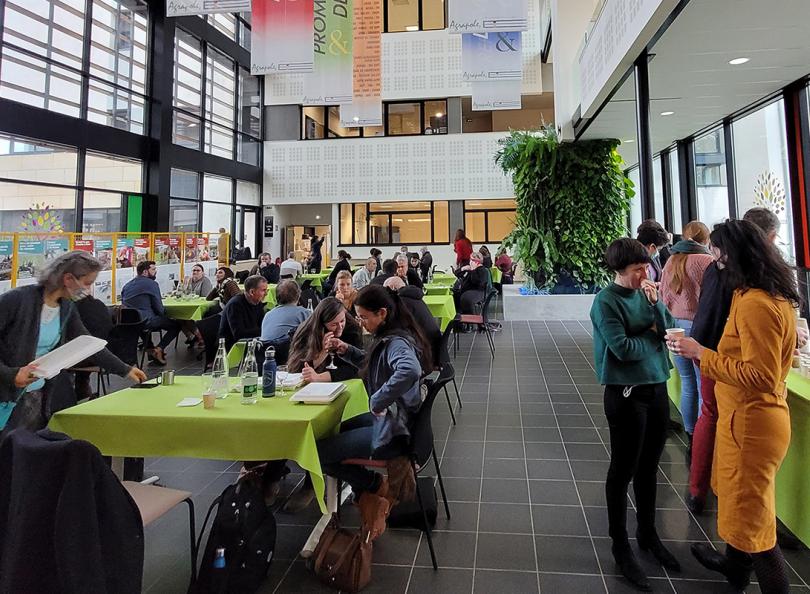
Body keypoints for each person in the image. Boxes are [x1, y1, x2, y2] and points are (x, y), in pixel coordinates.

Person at [669, 220, 800, 594]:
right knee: (741, 504)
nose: (714, 259)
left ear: (735, 255)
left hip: (752, 424)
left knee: (755, 523)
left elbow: (760, 374)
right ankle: (734, 569)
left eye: (719, 253)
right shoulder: (759, 294)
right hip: (742, 419)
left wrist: (702, 354)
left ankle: (768, 581)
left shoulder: (758, 303)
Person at [589, 238, 678, 591]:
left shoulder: (647, 293)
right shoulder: (606, 301)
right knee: (623, 468)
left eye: (647, 266)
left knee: (649, 465)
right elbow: (622, 349)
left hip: (656, 386)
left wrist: (656, 312)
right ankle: (620, 544)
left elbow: (668, 329)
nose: (646, 273)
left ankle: (648, 533)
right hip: (625, 394)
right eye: (638, 269)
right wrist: (653, 338)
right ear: (619, 270)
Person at [316, 285, 432, 540]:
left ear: (382, 313)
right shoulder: (394, 335)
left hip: (393, 430)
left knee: (317, 452)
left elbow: (410, 370)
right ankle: (369, 493)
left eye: (364, 318)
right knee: (336, 431)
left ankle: (373, 487)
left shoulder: (396, 343)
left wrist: (378, 399)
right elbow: (374, 365)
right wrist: (346, 350)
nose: (361, 323)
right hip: (397, 421)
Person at [0, 252, 146, 432]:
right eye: (87, 283)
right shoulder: (17, 300)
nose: (88, 290)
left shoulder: (66, 308)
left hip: (36, 394)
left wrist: (126, 369)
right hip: (6, 395)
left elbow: (88, 345)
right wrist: (10, 374)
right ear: (68, 278)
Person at [659, 221, 713, 460]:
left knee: (687, 383)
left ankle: (691, 435)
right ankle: (704, 441)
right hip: (700, 329)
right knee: (704, 385)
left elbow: (663, 295)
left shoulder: (671, 260)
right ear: (705, 239)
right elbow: (713, 298)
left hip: (675, 327)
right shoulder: (706, 262)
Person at [287, 297, 363, 384]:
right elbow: (295, 370)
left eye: (342, 321)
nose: (339, 328)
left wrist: (319, 377)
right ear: (322, 324)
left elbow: (355, 367)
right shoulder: (307, 331)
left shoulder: (352, 329)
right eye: (334, 324)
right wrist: (323, 352)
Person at [121, 260, 182, 366]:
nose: (155, 272)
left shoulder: (127, 286)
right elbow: (159, 309)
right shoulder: (151, 284)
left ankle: (149, 349)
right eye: (153, 269)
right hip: (147, 321)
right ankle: (158, 349)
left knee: (142, 327)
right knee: (176, 325)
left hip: (130, 323)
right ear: (145, 272)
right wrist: (165, 315)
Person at [384, 276, 441, 369]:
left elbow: (397, 326)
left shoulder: (402, 301)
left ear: (393, 289)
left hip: (425, 352)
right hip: (432, 345)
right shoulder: (414, 296)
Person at [73, 293, 115, 400]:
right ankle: (83, 394)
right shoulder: (100, 304)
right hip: (104, 353)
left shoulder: (73, 309)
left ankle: (77, 397)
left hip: (85, 357)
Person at [218, 275, 268, 349]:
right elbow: (239, 334)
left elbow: (262, 325)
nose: (266, 293)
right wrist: (265, 331)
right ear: (252, 292)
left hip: (251, 341)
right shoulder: (235, 305)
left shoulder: (257, 303)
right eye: (263, 290)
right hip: (232, 347)